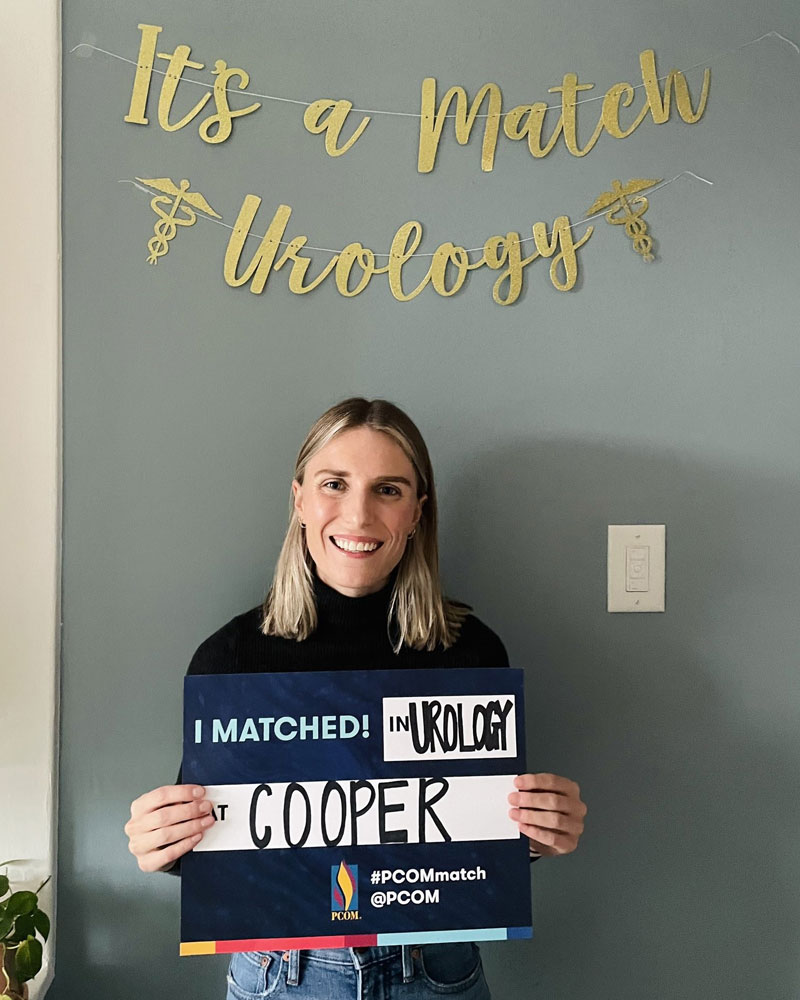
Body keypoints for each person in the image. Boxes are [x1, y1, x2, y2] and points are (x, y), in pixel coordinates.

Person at [124, 397, 587, 999]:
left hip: (435, 968)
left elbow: (479, 845)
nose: (358, 514)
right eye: (334, 484)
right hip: (281, 974)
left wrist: (540, 832)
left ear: (418, 512)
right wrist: (164, 843)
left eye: (388, 490)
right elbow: (218, 852)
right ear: (299, 500)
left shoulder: (471, 654)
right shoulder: (230, 659)